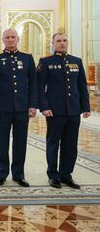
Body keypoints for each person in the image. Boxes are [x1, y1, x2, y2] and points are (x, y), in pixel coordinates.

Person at [37, 32, 90, 189]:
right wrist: (44, 107)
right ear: (52, 43)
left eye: (64, 40)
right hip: (54, 111)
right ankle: (53, 175)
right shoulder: (45, 62)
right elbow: (40, 87)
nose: (62, 43)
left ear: (68, 42)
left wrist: (85, 107)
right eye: (58, 41)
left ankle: (66, 174)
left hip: (74, 110)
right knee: (53, 143)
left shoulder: (76, 61)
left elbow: (82, 86)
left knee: (70, 144)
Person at [0, 29, 38, 187]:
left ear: (18, 39)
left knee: (20, 142)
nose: (10, 40)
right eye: (7, 37)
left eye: (13, 37)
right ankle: (1, 174)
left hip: (22, 108)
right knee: (2, 142)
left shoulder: (27, 58)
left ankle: (19, 174)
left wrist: (32, 105)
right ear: (3, 39)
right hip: (2, 109)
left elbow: (33, 84)